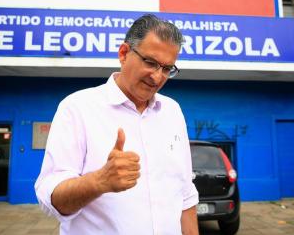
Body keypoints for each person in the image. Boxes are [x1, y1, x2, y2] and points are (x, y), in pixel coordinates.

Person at [35, 14, 199, 235]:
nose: (158, 77)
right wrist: (99, 181)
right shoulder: (77, 107)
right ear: (123, 54)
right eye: (150, 63)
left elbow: (186, 195)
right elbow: (51, 199)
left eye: (167, 68)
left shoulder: (173, 112)